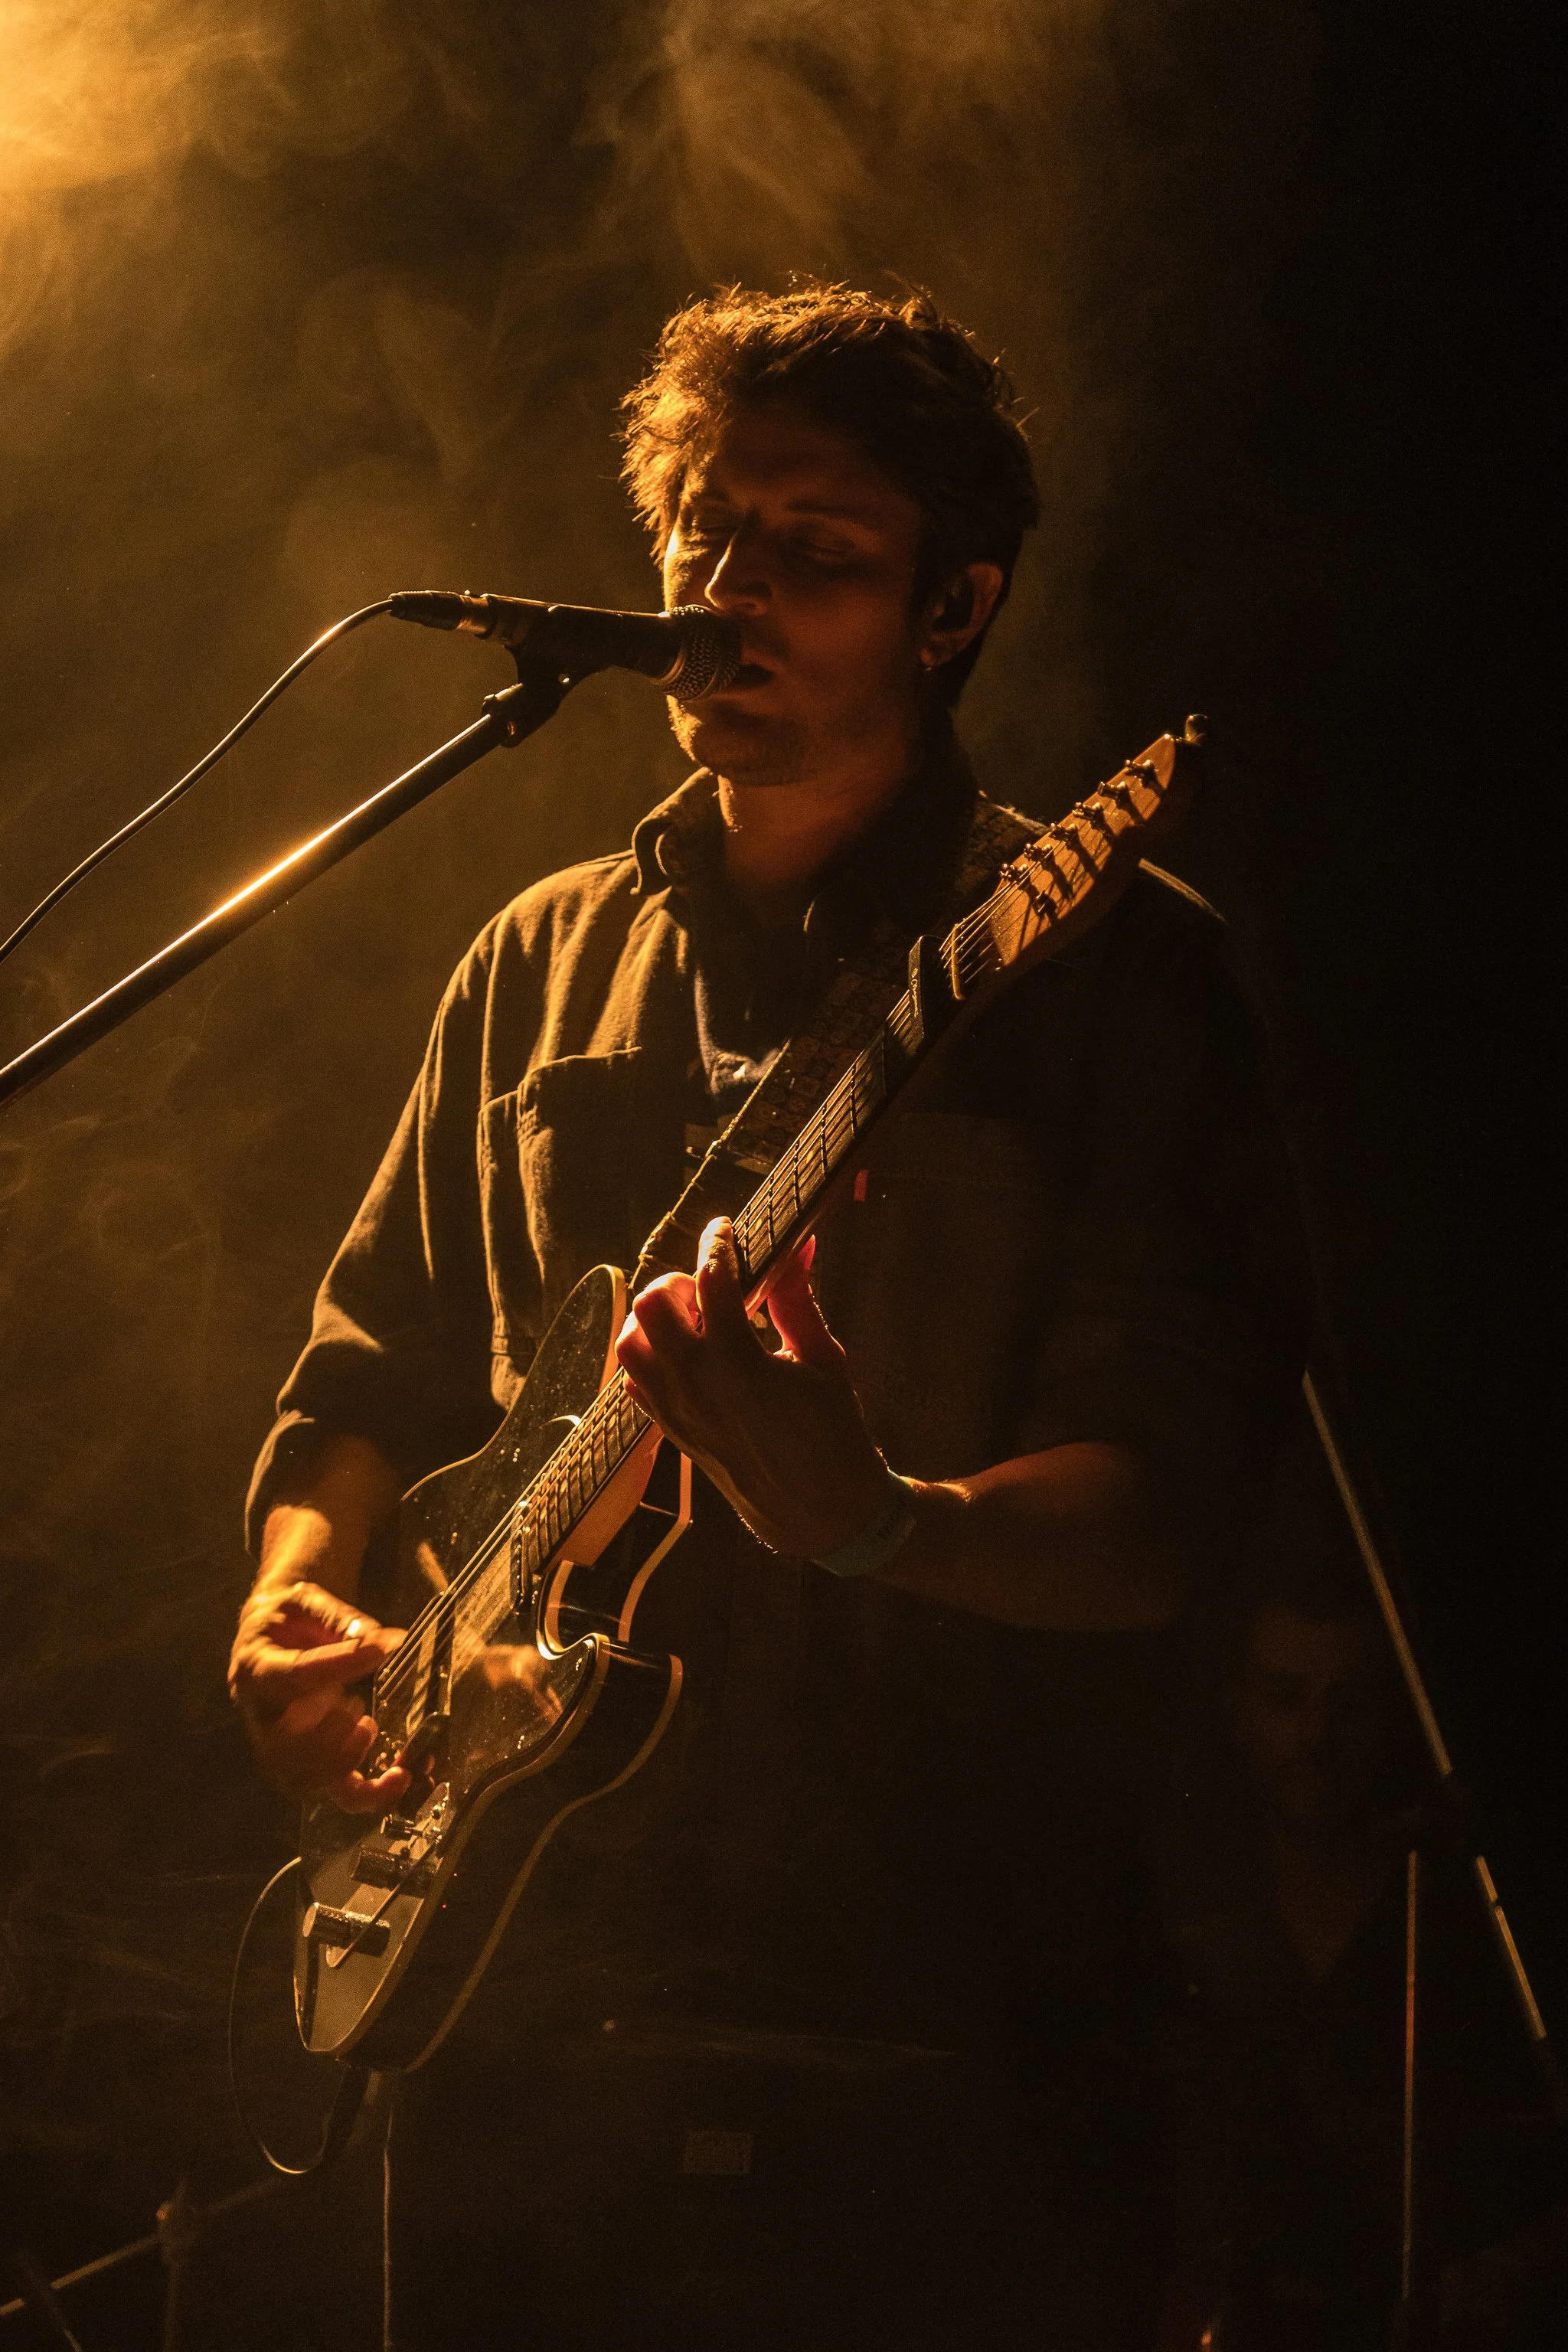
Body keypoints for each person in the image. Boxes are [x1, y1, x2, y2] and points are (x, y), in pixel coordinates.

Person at [229, 283, 1308, 2349]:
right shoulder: (534, 965)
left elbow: (1173, 1506)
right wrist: (295, 1600)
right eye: (704, 539)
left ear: (954, 602)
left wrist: (881, 1516)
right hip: (520, 2027)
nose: (730, 595)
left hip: (947, 2041)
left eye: (813, 554)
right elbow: (366, 1367)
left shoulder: (1103, 972)